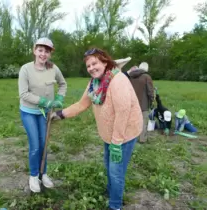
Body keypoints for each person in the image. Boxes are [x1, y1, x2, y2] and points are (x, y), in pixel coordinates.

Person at [51, 48, 143, 210]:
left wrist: (116, 142)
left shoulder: (118, 80)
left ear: (105, 62)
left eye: (95, 63)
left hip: (125, 133)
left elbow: (123, 112)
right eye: (88, 66)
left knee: (116, 171)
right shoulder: (95, 83)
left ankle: (115, 206)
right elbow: (82, 104)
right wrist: (60, 114)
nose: (91, 68)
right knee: (109, 166)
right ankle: (112, 190)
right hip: (108, 134)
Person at [18, 37, 67, 193]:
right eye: (40, 50)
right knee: (35, 145)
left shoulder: (53, 69)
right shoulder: (25, 69)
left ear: (50, 54)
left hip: (45, 114)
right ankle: (33, 176)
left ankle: (43, 174)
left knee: (44, 144)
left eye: (47, 51)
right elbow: (23, 94)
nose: (43, 54)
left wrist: (59, 98)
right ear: (34, 50)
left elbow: (63, 84)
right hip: (29, 113)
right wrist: (44, 102)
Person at [129, 62, 154, 143]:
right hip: (143, 104)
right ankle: (142, 139)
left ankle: (132, 138)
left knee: (133, 121)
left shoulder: (130, 76)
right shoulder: (147, 77)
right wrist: (152, 101)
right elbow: (150, 91)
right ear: (146, 69)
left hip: (132, 103)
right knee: (143, 122)